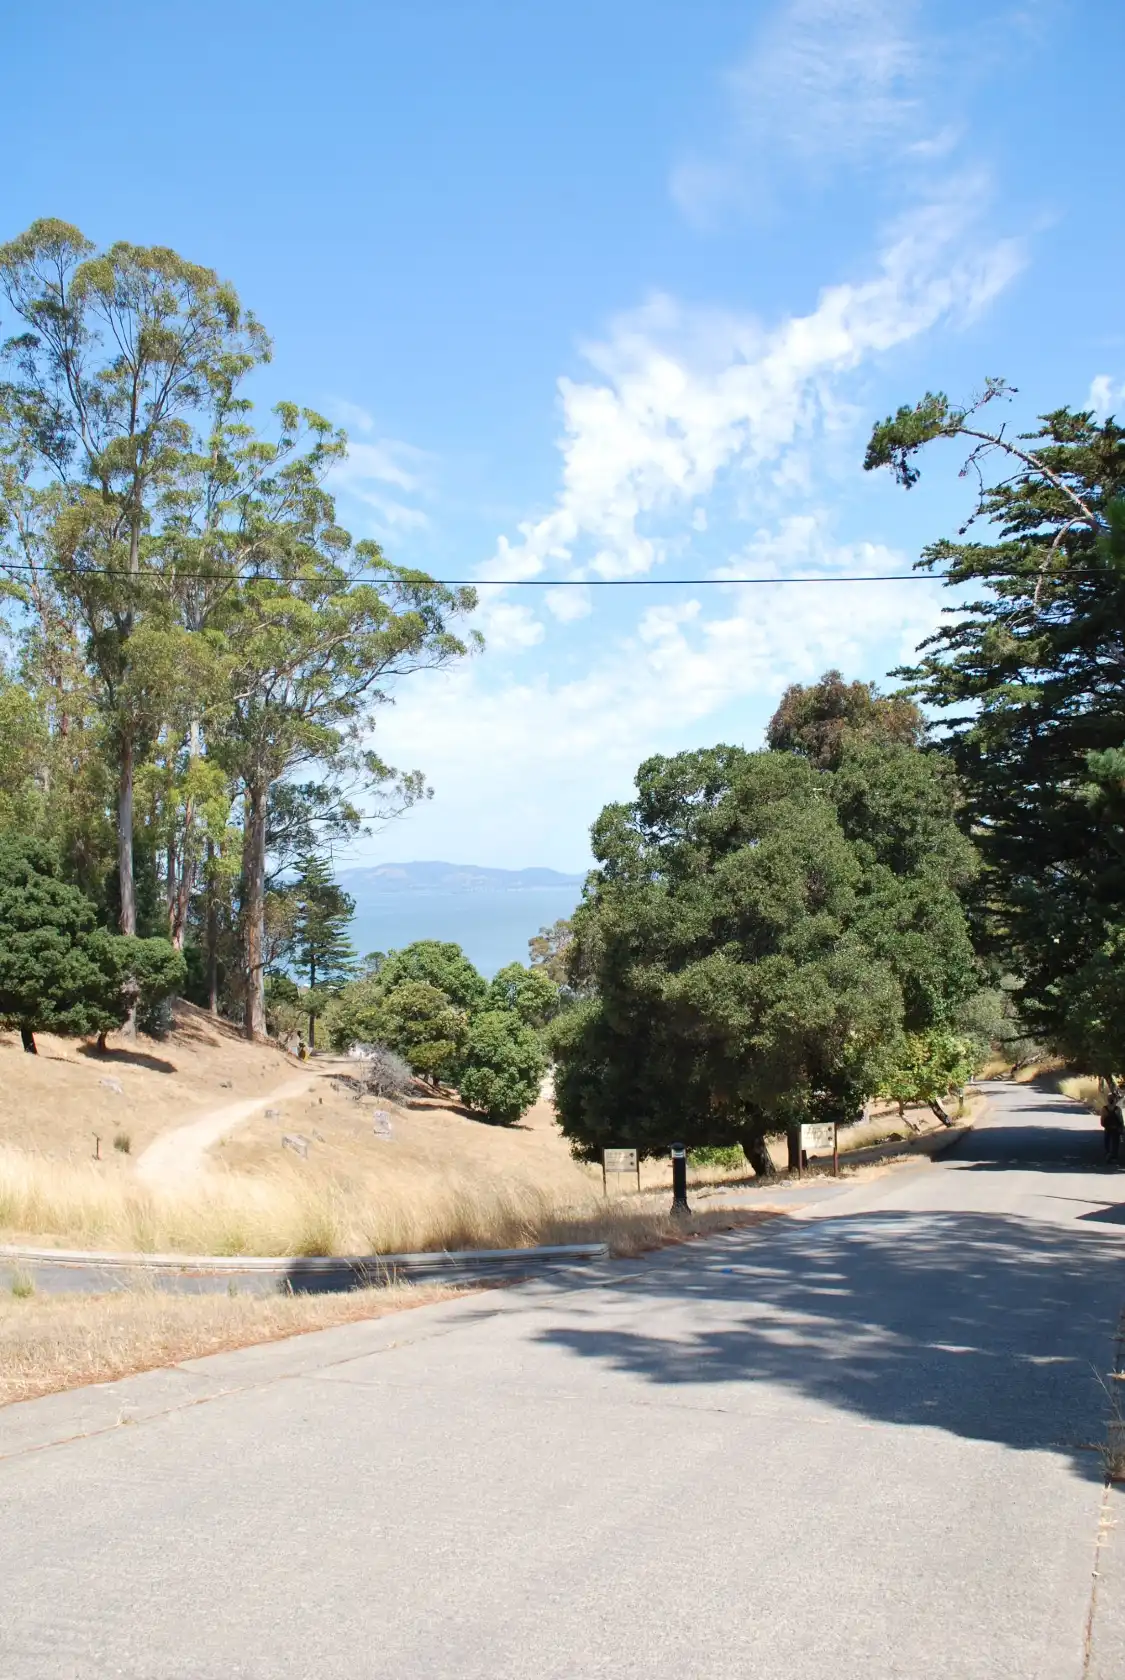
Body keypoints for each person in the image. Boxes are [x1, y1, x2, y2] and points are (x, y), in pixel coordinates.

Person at [1101, 1086, 1124, 1164]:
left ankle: (1108, 1154)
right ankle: (1114, 1156)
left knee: (1107, 1142)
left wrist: (1104, 1125)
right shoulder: (1117, 1109)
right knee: (1115, 1143)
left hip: (1108, 1128)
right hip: (1116, 1128)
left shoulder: (1104, 1108)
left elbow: (1102, 1119)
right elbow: (1120, 1119)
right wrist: (1122, 1128)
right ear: (1114, 1100)